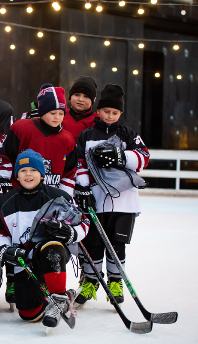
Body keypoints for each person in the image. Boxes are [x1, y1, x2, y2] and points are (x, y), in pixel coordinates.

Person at [0, 149, 89, 328]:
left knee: (51, 246)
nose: (28, 174)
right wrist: (4, 249)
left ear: (42, 174)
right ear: (16, 176)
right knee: (28, 313)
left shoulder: (58, 197)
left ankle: (58, 298)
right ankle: (64, 296)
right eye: (23, 170)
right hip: (24, 261)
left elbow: (84, 223)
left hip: (51, 256)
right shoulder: (5, 202)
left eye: (34, 170)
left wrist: (71, 233)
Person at [73, 84, 150, 306]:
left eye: (115, 113)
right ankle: (91, 281)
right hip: (95, 200)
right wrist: (84, 187)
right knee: (93, 243)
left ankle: (115, 282)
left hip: (124, 201)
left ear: (120, 114)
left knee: (117, 243)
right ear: (98, 111)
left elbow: (144, 157)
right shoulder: (87, 135)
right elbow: (79, 163)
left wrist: (121, 156)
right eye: (106, 111)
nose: (110, 116)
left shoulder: (127, 134)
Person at [0, 84, 77, 196]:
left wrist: (65, 195)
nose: (57, 117)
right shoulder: (21, 129)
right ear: (42, 112)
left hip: (51, 199)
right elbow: (5, 157)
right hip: (20, 196)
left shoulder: (68, 139)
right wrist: (3, 180)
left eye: (61, 113)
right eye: (52, 113)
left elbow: (69, 173)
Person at [63, 76, 99, 141]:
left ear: (93, 100)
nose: (80, 99)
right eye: (77, 95)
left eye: (86, 96)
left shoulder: (97, 121)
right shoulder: (60, 115)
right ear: (70, 97)